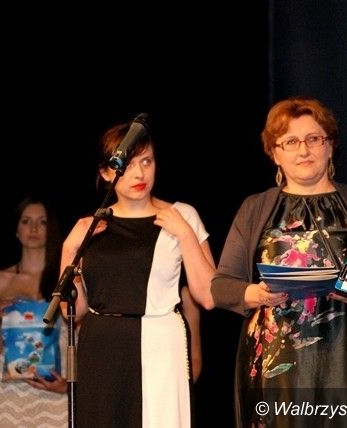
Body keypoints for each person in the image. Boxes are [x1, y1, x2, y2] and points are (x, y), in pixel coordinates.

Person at [210, 96, 347, 427]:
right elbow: (221, 288)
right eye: (290, 141)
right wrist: (256, 294)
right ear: (275, 153)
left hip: (345, 361)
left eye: (313, 139)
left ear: (330, 146)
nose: (303, 150)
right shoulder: (254, 208)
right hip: (275, 369)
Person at [60, 118, 215, 427]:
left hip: (161, 344)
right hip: (102, 349)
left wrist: (185, 234)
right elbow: (71, 311)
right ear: (106, 172)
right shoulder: (90, 226)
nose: (140, 173)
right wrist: (68, 249)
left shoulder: (181, 215)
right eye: (128, 165)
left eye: (146, 161)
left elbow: (209, 297)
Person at [0, 196, 69, 428]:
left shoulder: (68, 280)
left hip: (56, 390)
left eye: (42, 222)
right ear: (16, 229)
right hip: (9, 395)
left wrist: (70, 385)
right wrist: (2, 322)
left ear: (51, 229)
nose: (33, 228)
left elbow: (82, 341)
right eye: (26, 221)